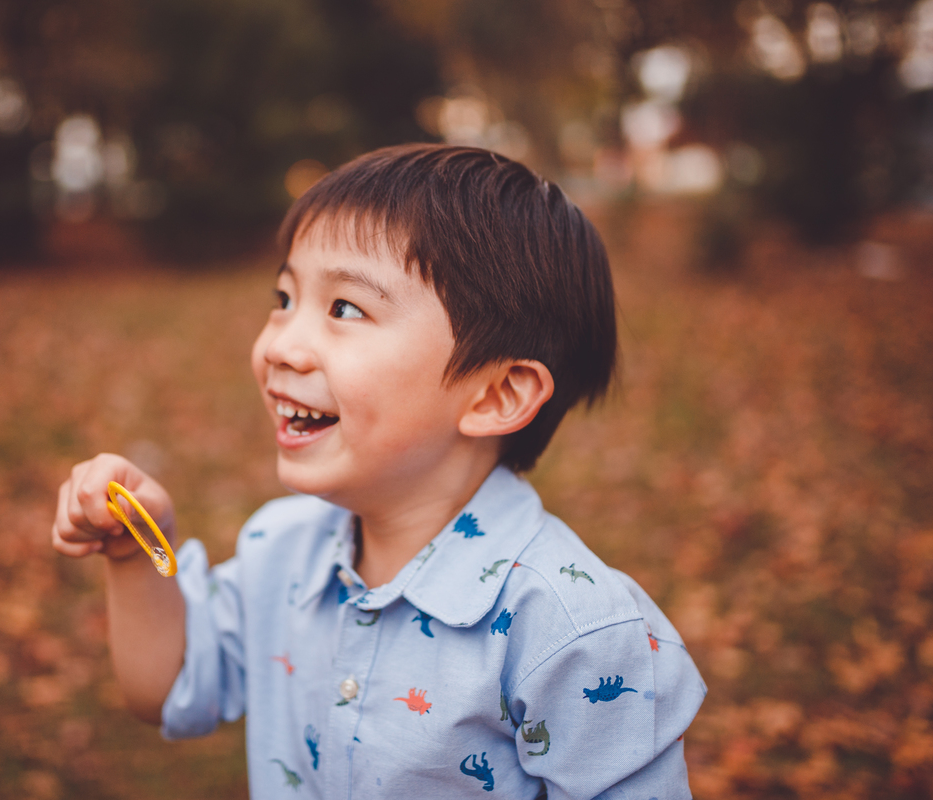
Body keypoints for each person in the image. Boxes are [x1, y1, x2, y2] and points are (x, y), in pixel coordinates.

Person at [51, 144, 705, 799]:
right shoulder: (280, 550)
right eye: (284, 297)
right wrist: (132, 553)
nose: (279, 344)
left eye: (345, 309)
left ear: (496, 395)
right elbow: (165, 690)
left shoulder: (573, 631)